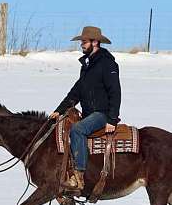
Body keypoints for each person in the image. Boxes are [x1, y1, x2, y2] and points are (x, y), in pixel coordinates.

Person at [49, 26, 121, 195]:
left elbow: (115, 92)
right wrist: (59, 111)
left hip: (102, 114)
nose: (81, 44)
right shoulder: (87, 65)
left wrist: (111, 119)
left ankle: (78, 175)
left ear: (95, 42)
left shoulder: (107, 64)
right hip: (90, 114)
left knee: (78, 129)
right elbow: (76, 92)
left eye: (84, 41)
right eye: (81, 41)